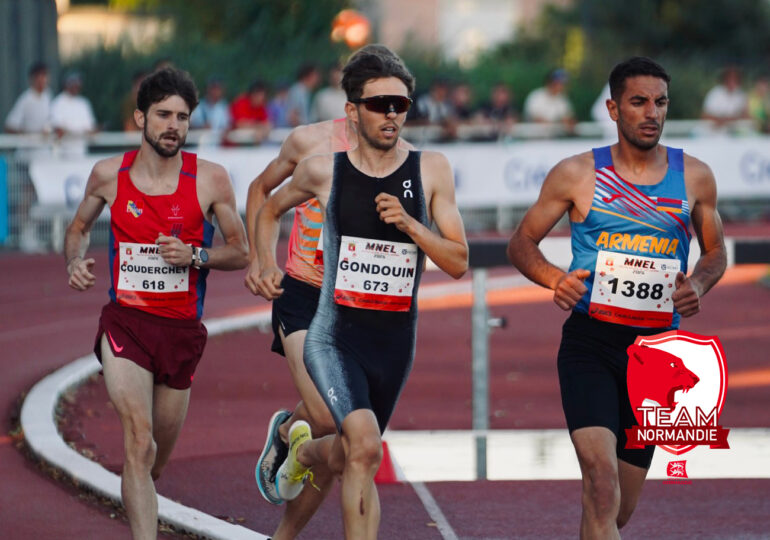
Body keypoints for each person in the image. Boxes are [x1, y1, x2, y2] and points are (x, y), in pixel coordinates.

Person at [253, 44, 468, 539]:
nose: (391, 114)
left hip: (392, 338)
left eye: (400, 104)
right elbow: (268, 206)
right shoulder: (322, 168)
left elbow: (458, 262)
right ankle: (297, 441)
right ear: (352, 110)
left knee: (357, 454)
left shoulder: (431, 169)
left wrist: (411, 225)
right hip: (331, 330)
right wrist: (264, 263)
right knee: (362, 443)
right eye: (379, 104)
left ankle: (303, 450)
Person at [507, 57, 726, 538]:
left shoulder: (695, 176)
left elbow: (715, 252)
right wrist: (555, 279)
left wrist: (698, 285)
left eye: (660, 102)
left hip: (656, 357)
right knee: (601, 483)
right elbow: (521, 243)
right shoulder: (576, 173)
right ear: (613, 109)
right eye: (639, 102)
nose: (652, 112)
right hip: (591, 343)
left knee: (617, 509)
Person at [64, 67, 249, 540]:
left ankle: (138, 491)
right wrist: (75, 261)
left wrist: (196, 256)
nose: (173, 126)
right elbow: (79, 228)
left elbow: (241, 251)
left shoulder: (210, 179)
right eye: (164, 115)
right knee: (139, 442)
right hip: (126, 324)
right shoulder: (109, 174)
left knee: (154, 463)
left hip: (181, 332)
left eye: (182, 118)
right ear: (140, 118)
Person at [50, 72, 97, 156]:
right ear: (66, 84)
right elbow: (58, 128)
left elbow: (90, 128)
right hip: (63, 153)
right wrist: (77, 131)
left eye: (78, 83)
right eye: (73, 82)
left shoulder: (84, 103)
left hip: (81, 151)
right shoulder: (58, 102)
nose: (76, 85)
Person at [522, 68, 576, 135]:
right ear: (550, 82)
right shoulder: (536, 96)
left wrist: (567, 122)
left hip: (554, 138)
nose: (562, 86)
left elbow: (568, 119)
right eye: (559, 83)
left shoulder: (562, 99)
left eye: (563, 84)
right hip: (533, 138)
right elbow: (536, 119)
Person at [4, 61, 52, 134]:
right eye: (39, 76)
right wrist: (27, 135)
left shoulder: (48, 95)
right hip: (30, 140)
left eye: (45, 75)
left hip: (45, 140)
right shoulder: (25, 99)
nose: (43, 79)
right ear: (32, 78)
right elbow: (10, 126)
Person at [701, 66, 749, 130]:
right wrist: (720, 120)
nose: (732, 82)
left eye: (735, 79)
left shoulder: (741, 95)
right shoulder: (715, 93)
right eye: (730, 79)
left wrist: (729, 120)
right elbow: (705, 115)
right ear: (725, 80)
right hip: (713, 131)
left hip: (733, 132)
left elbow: (745, 115)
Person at [190, 76, 231, 142]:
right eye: (213, 88)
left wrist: (226, 131)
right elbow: (188, 125)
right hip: (198, 143)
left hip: (217, 145)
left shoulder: (223, 107)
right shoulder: (198, 106)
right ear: (207, 89)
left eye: (218, 89)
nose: (215, 92)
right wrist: (201, 127)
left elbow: (227, 125)